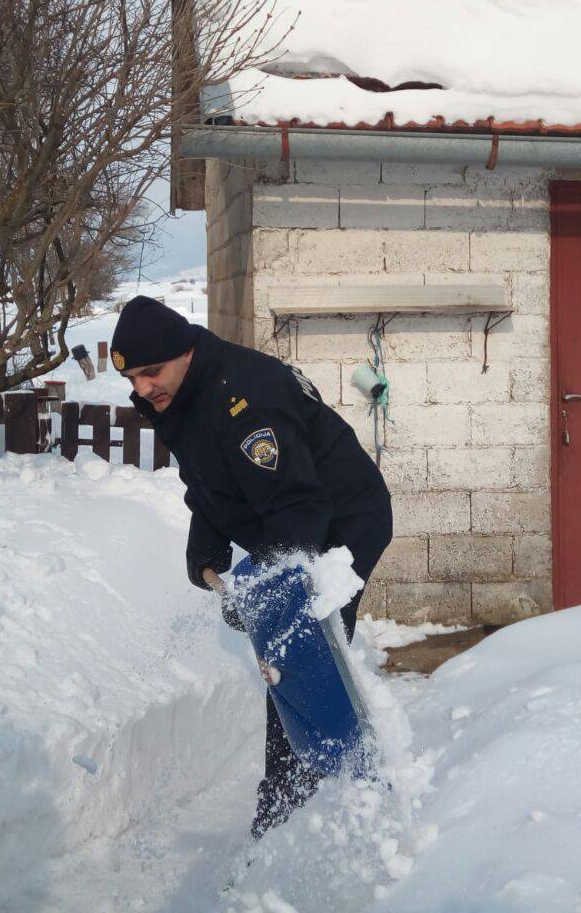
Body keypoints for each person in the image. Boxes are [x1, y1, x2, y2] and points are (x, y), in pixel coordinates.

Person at [112, 295, 393, 837]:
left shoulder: (242, 397)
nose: (144, 388)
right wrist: (207, 555)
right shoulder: (181, 398)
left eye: (153, 372)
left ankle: (322, 809)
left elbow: (298, 506)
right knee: (286, 655)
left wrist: (267, 589)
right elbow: (210, 484)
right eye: (135, 379)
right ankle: (295, 809)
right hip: (292, 517)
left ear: (185, 352)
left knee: (297, 658)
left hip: (342, 523)